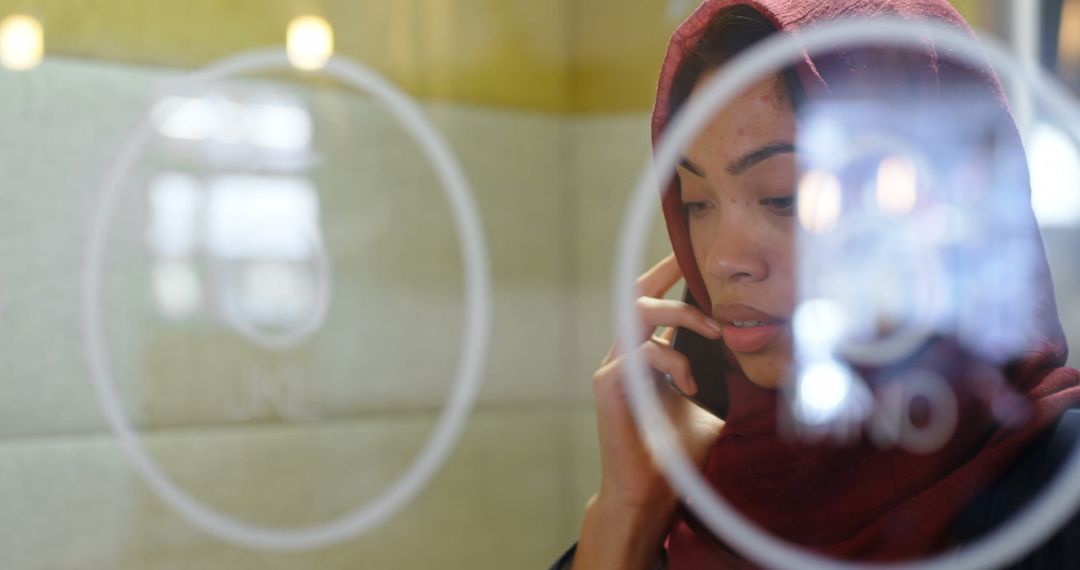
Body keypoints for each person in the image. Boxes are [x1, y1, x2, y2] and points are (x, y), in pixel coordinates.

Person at [554, 0, 1080, 568]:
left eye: (785, 196)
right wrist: (625, 509)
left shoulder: (1057, 490)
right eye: (696, 203)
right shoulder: (688, 502)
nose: (723, 259)